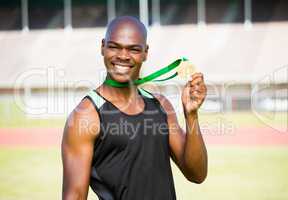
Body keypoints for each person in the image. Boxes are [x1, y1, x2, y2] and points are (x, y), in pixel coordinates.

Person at [62, 16, 207, 200]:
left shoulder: (161, 106)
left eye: (133, 49)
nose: (123, 56)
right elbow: (74, 195)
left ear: (145, 53)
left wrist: (191, 115)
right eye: (114, 46)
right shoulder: (86, 116)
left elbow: (197, 174)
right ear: (102, 47)